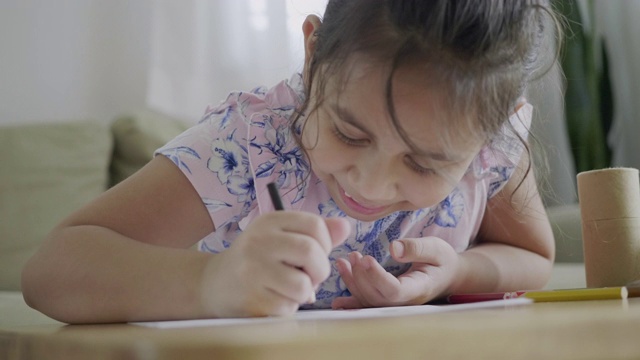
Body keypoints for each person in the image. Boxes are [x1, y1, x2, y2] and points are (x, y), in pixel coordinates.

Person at [22, 0, 558, 323]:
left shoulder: (492, 150)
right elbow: (52, 272)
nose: (369, 184)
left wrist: (456, 273)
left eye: (423, 165)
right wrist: (213, 282)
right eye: (350, 132)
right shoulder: (246, 145)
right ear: (312, 52)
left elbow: (532, 256)